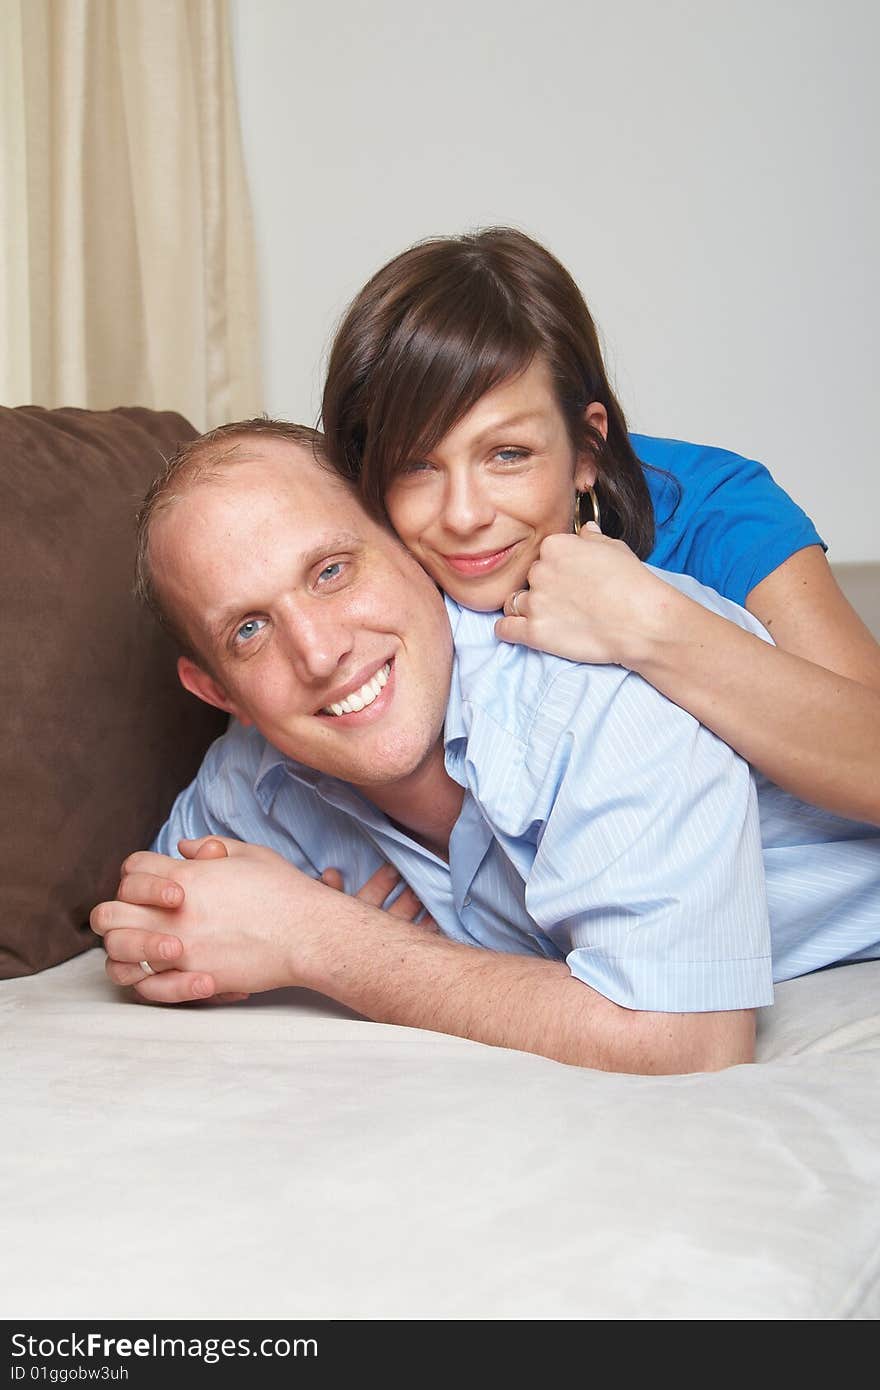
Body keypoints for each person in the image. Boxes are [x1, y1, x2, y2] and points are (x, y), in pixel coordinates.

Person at [91, 420, 880, 1075]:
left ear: (409, 547)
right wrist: (171, 948)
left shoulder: (599, 682)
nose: (319, 651)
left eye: (333, 572)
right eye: (250, 630)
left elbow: (686, 1042)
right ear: (218, 691)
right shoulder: (252, 780)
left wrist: (318, 937)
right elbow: (158, 921)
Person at [320, 227, 880, 826]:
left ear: (586, 448)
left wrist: (646, 624)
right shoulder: (364, 556)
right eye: (416, 465)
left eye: (508, 454)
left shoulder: (714, 509)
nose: (463, 516)